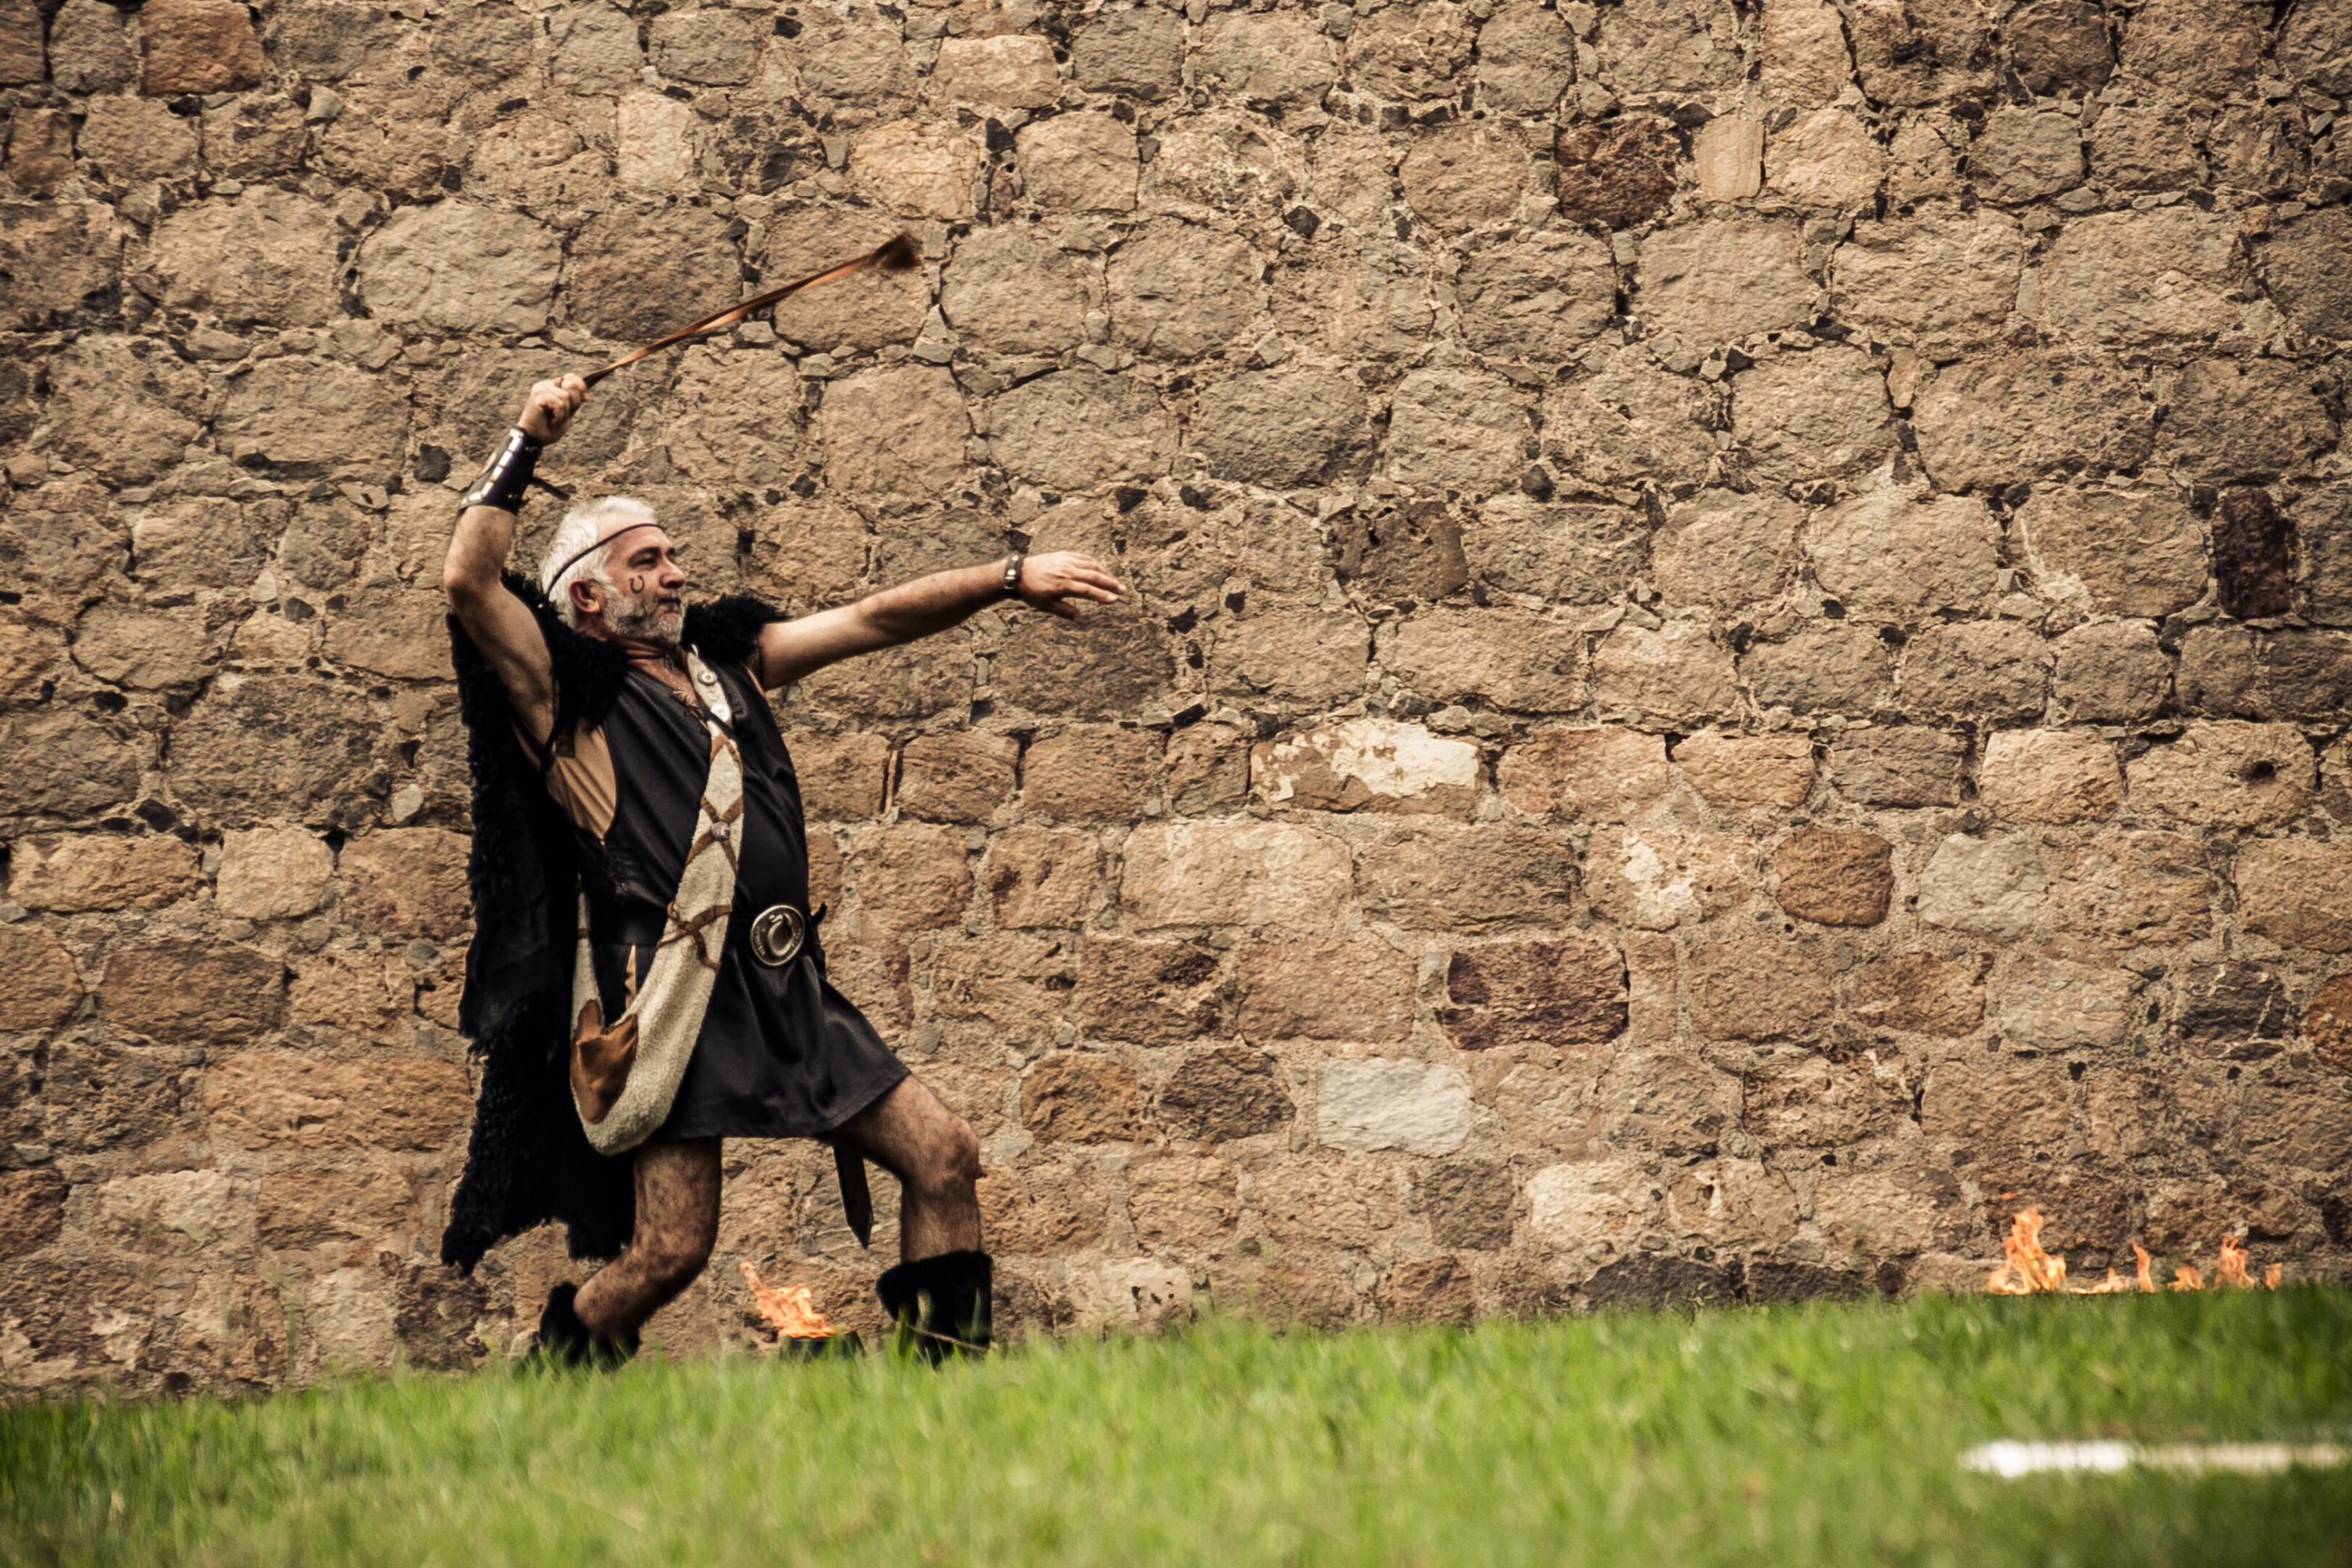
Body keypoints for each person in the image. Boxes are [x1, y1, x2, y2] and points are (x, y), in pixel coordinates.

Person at [436, 373, 1125, 1363]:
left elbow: (876, 618)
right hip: (667, 993)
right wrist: (526, 438)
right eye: (648, 560)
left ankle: (949, 1382)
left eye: (674, 555)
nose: (676, 573)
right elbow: (468, 582)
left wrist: (1008, 577)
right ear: (586, 593)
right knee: (672, 1251)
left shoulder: (729, 661)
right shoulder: (561, 694)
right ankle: (558, 1366)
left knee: (944, 1155)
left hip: (781, 978)